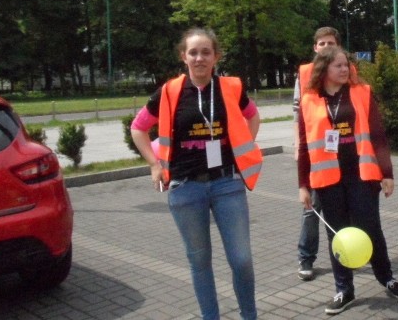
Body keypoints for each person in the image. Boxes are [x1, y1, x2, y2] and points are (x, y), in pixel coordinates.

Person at [131, 28, 262, 320]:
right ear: (183, 56)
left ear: (216, 56)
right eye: (193, 52)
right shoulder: (169, 92)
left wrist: (244, 148)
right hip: (185, 188)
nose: (200, 58)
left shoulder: (230, 88)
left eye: (206, 52)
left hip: (227, 183)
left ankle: (249, 315)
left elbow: (252, 116)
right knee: (200, 261)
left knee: (241, 260)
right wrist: (154, 164)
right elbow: (138, 128)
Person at [297, 46, 398, 315]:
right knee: (338, 236)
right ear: (324, 70)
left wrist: (387, 173)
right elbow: (304, 145)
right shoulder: (309, 100)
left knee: (370, 229)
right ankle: (344, 289)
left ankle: (387, 278)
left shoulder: (362, 93)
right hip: (327, 179)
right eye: (338, 66)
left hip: (362, 175)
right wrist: (303, 185)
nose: (345, 69)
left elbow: (378, 135)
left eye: (346, 64)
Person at [294, 27, 353, 281]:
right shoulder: (305, 75)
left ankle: (347, 252)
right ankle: (306, 258)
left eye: (331, 42)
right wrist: (300, 147)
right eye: (321, 43)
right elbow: (300, 115)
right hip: (317, 156)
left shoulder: (345, 70)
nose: (326, 47)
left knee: (342, 211)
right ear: (315, 48)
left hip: (342, 157)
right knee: (312, 209)